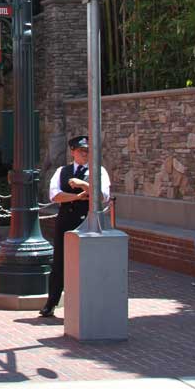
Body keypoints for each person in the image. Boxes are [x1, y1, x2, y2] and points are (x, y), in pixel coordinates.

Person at [39, 135, 110, 318]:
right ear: (73, 152)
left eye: (87, 151)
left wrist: (83, 185)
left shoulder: (98, 171)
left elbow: (102, 195)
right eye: (81, 151)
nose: (85, 154)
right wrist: (78, 196)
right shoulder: (62, 171)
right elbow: (55, 195)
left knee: (89, 262)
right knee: (59, 263)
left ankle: (90, 303)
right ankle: (51, 303)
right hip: (65, 220)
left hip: (88, 221)